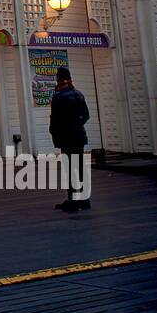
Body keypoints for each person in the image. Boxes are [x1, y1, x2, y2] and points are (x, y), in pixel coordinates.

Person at [48, 66, 91, 211]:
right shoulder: (78, 94)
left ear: (58, 79)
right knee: (79, 167)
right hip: (79, 135)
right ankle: (85, 199)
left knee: (69, 168)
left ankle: (73, 199)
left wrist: (54, 133)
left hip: (66, 137)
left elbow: (54, 120)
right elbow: (86, 115)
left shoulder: (58, 96)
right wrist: (77, 124)